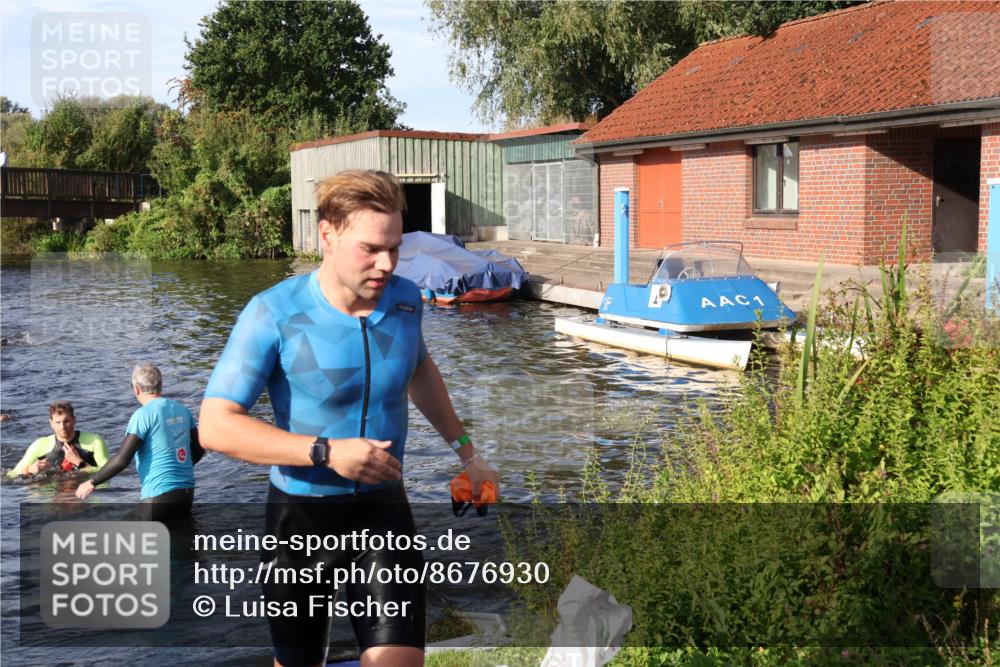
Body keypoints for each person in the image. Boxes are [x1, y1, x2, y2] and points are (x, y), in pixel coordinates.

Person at [199, 169, 499, 667]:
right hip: (299, 519)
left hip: (382, 514)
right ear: (327, 234)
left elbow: (420, 369)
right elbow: (215, 425)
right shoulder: (273, 312)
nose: (386, 264)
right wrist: (327, 452)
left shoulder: (405, 302)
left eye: (395, 248)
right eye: (370, 249)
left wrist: (469, 453)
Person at [75, 364, 204, 520]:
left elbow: (122, 459)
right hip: (186, 494)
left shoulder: (142, 415)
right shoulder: (183, 410)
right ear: (161, 385)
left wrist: (91, 482)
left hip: (158, 495)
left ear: (136, 389)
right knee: (176, 541)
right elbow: (199, 449)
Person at [6, 402, 109, 477]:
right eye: (58, 422)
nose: (63, 426)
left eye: (66, 421)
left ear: (74, 420)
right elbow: (12, 474)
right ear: (51, 423)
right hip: (54, 492)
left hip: (84, 491)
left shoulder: (94, 441)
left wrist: (80, 463)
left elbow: (110, 470)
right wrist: (29, 469)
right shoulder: (40, 445)